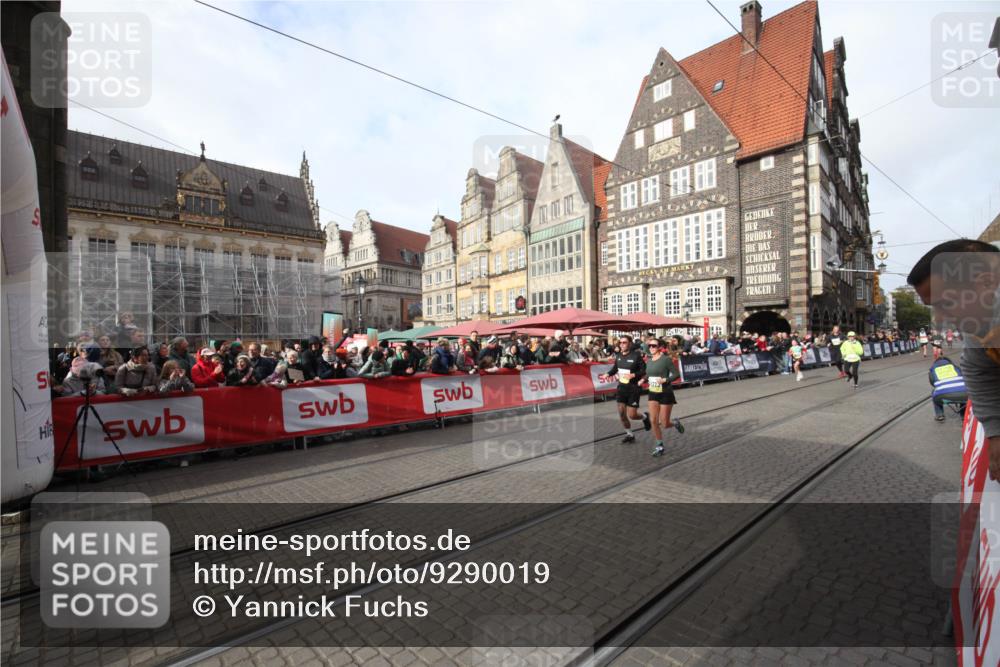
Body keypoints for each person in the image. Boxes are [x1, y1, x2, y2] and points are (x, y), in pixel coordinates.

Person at [908, 239, 1000, 479]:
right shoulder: (980, 324)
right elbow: (978, 371)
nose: (940, 318)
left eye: (946, 303)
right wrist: (995, 432)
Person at [598, 335, 652, 443]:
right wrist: (607, 374)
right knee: (622, 413)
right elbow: (615, 369)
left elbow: (644, 370)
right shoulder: (618, 356)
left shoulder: (636, 356)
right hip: (621, 388)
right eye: (620, 342)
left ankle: (645, 417)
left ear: (630, 344)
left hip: (633, 388)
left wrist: (633, 375)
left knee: (632, 415)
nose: (622, 344)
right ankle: (629, 434)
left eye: (624, 342)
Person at [643, 337, 684, 457]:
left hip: (665, 392)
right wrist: (642, 380)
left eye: (654, 346)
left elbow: (676, 374)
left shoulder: (666, 360)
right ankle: (659, 445)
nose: (651, 348)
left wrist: (665, 379)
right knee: (653, 420)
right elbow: (648, 374)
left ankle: (675, 423)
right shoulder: (649, 360)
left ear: (660, 347)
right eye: (650, 346)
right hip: (653, 392)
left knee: (665, 423)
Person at [928, 356, 968, 422]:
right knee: (963, 389)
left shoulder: (933, 369)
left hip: (942, 397)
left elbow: (932, 383)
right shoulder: (955, 367)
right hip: (964, 394)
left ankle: (939, 415)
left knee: (934, 392)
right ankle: (963, 415)